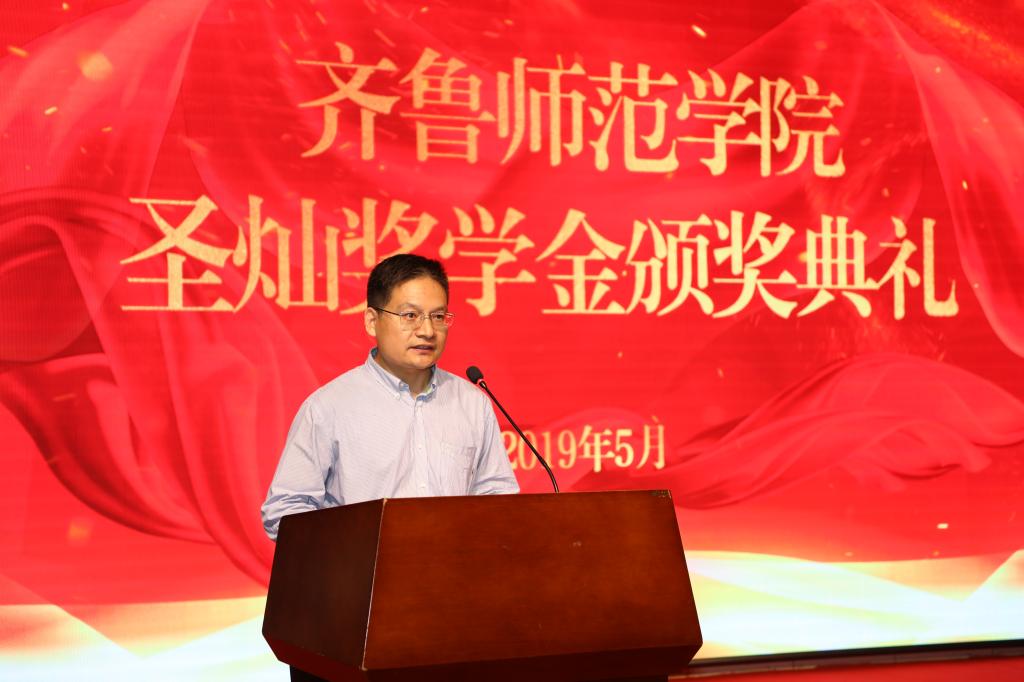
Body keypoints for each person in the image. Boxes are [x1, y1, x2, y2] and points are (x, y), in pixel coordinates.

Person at [261, 253, 520, 543]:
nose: (427, 331)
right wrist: (354, 547)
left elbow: (498, 498)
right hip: (363, 569)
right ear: (372, 321)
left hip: (453, 568)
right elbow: (284, 512)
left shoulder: (472, 403)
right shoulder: (328, 407)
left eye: (438, 317)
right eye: (410, 316)